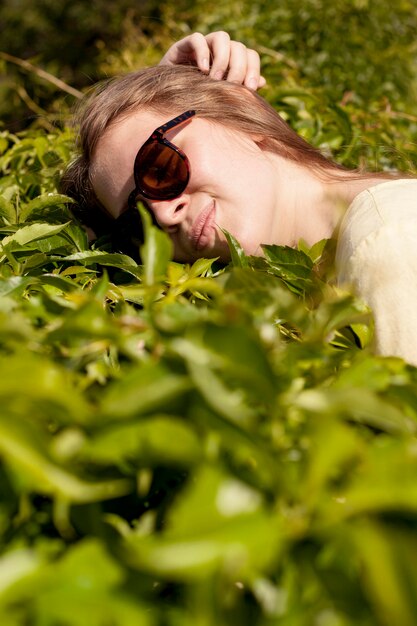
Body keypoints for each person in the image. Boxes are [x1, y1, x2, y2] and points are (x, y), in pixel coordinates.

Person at [61, 32, 417, 365]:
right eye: (137, 220)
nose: (165, 215)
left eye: (161, 168)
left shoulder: (390, 241)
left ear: (236, 109)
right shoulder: (342, 264)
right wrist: (159, 85)